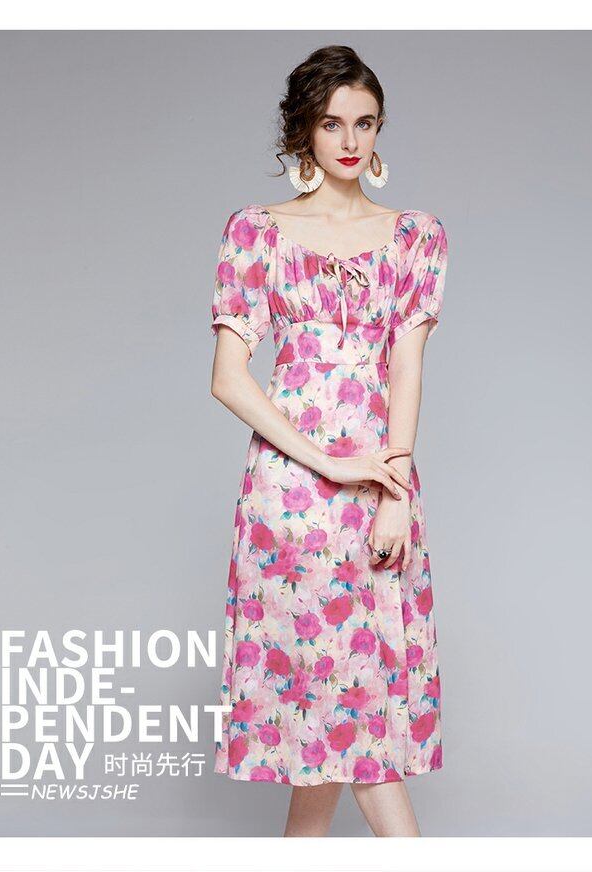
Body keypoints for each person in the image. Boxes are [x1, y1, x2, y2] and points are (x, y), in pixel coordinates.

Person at [209, 44, 448, 838]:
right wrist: (329, 464)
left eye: (365, 123)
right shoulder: (257, 233)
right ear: (303, 131)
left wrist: (391, 490)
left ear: (379, 130)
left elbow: (406, 369)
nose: (350, 140)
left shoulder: (415, 237)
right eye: (331, 123)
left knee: (348, 714)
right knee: (333, 715)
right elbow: (229, 377)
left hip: (377, 489)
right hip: (288, 499)